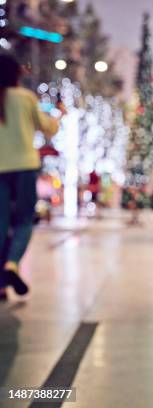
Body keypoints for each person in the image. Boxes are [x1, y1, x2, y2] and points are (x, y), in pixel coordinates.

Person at [0, 53, 60, 299]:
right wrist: (57, 115)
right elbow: (47, 127)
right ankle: (12, 264)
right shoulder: (24, 98)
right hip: (24, 166)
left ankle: (1, 282)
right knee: (24, 220)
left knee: (2, 224)